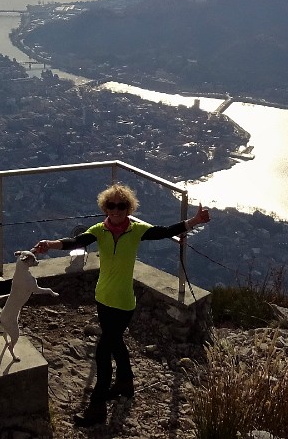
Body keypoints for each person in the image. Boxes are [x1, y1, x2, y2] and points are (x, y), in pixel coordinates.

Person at [33, 183, 211, 427]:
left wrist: (194, 221)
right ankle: (125, 384)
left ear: (129, 208)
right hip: (102, 299)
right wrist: (50, 244)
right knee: (115, 342)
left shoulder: (136, 230)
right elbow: (76, 242)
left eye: (121, 205)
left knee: (103, 351)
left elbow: (163, 231)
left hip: (124, 303)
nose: (116, 210)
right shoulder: (99, 230)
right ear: (105, 207)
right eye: (111, 205)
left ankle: (97, 408)